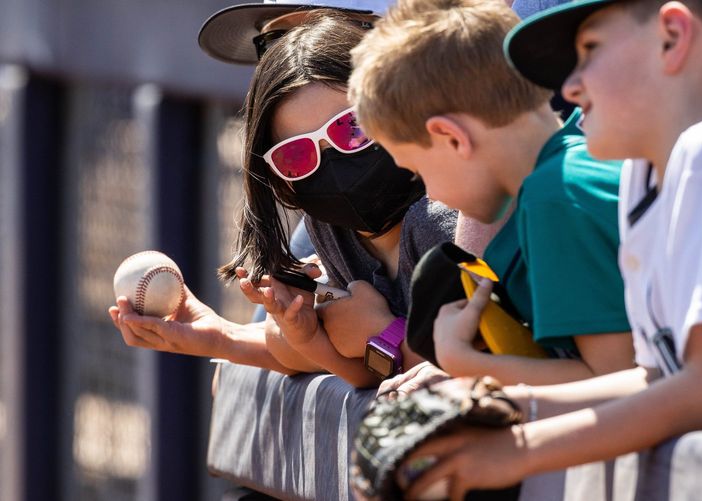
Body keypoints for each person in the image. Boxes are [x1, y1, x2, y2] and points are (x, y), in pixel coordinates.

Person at [389, 1, 702, 498]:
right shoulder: (648, 175)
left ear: (673, 38)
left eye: (590, 50)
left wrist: (520, 447)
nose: (570, 88)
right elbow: (653, 379)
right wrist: (494, 404)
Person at [109, 9, 457, 388]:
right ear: (278, 180)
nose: (334, 164)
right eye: (296, 155)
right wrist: (290, 336)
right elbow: (362, 371)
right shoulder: (330, 229)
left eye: (352, 128)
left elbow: (490, 368)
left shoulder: (444, 222)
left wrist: (383, 336)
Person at [348, 0, 635, 386]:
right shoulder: (557, 182)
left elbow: (616, 383)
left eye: (419, 171)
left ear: (451, 137)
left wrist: (470, 368)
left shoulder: (557, 198)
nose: (431, 195)